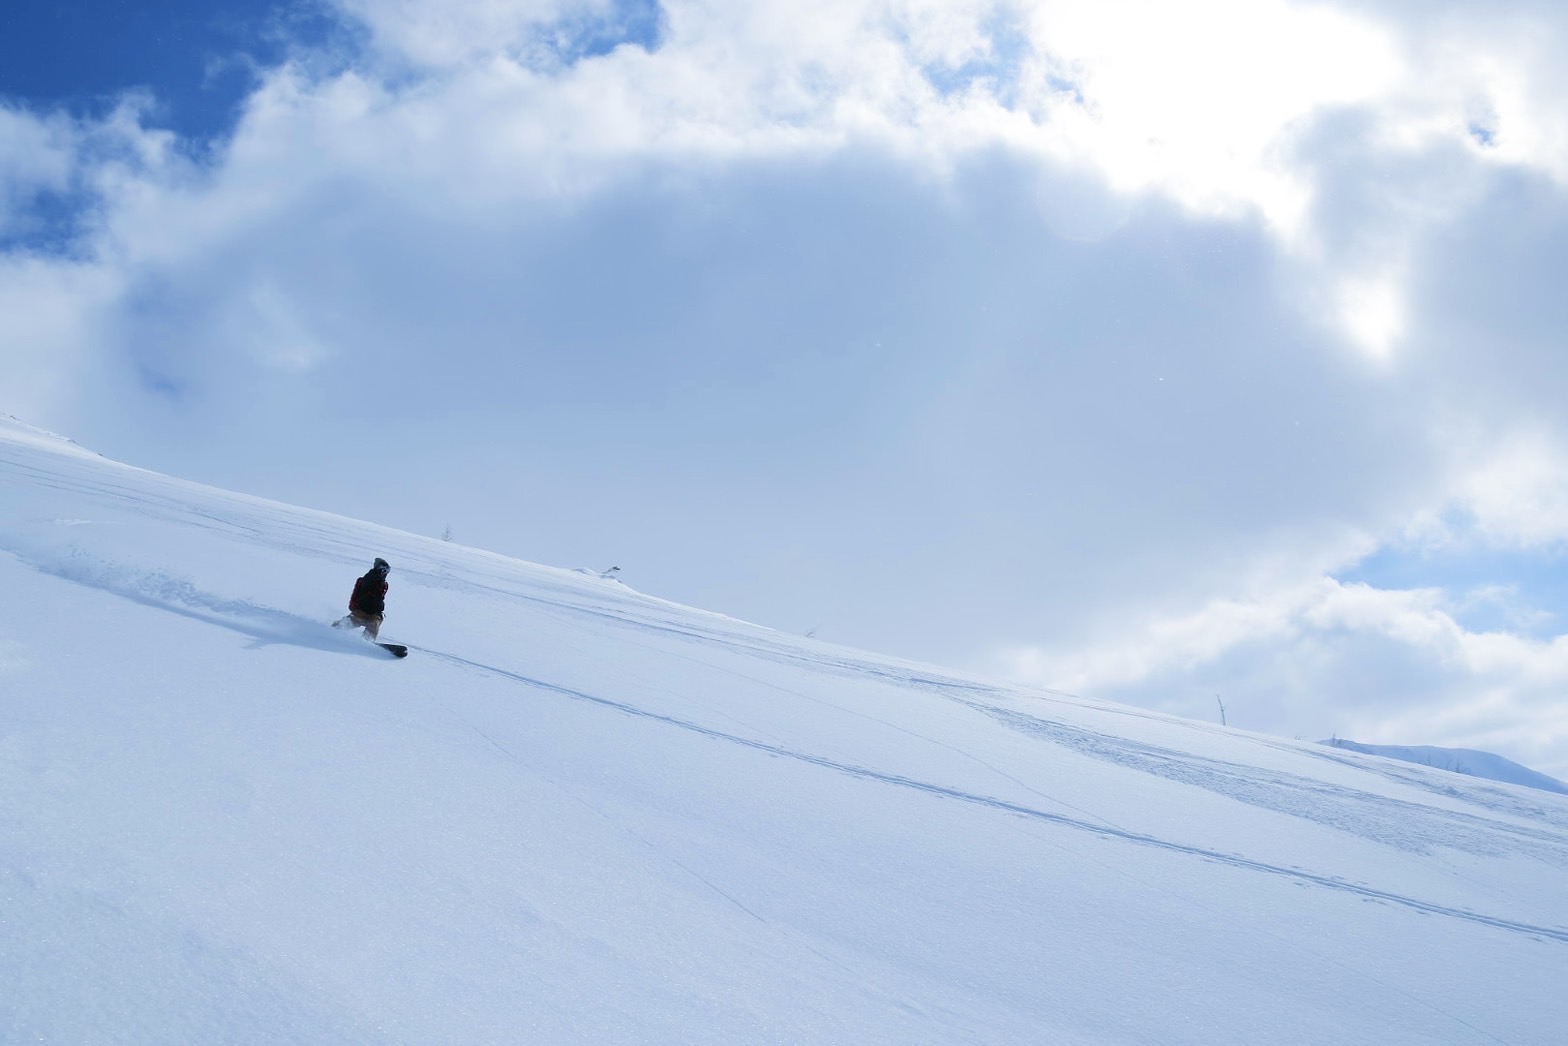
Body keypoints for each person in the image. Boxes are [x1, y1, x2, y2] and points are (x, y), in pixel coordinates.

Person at [340, 557, 390, 639]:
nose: (385, 573)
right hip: (361, 612)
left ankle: (366, 641)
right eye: (383, 570)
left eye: (387, 570)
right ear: (378, 569)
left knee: (373, 626)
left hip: (374, 614)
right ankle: (332, 631)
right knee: (348, 624)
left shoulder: (383, 584)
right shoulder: (369, 578)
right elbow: (369, 584)